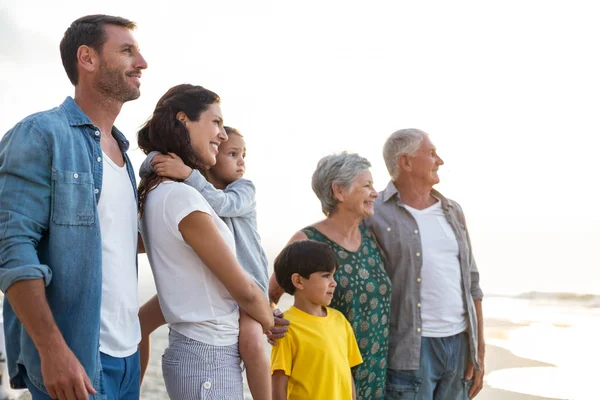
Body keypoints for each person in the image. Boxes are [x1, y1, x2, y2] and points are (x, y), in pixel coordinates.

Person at [0, 15, 147, 400]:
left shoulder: (122, 151)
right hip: (74, 360)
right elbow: (12, 247)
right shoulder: (40, 134)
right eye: (127, 51)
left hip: (127, 357)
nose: (142, 62)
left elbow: (113, 243)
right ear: (88, 58)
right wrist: (53, 350)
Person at [137, 84, 274, 400]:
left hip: (201, 352)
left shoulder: (175, 192)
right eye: (215, 123)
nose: (223, 135)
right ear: (184, 120)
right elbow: (242, 290)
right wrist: (269, 319)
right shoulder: (182, 197)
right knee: (255, 343)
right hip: (207, 360)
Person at [365, 128, 485, 399]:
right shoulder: (373, 213)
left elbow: (473, 283)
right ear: (405, 162)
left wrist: (479, 352)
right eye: (431, 154)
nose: (440, 160)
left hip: (459, 345)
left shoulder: (453, 210)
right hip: (408, 352)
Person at [269, 152, 391, 400]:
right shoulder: (307, 240)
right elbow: (270, 295)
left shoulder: (371, 237)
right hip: (322, 379)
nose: (375, 193)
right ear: (339, 191)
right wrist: (273, 324)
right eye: (366, 186)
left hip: (374, 375)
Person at [271, 240, 363, 400]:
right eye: (326, 276)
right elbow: (278, 385)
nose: (334, 283)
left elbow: (347, 375)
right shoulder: (285, 327)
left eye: (333, 275)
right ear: (299, 281)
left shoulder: (340, 320)